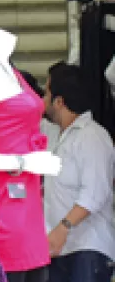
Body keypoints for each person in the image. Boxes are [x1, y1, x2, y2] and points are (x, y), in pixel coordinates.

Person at [43, 62, 115, 282]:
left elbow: (95, 192)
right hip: (59, 249)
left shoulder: (92, 136)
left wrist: (63, 228)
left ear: (59, 101)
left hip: (88, 249)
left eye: (46, 93)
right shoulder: (54, 134)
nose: (41, 100)